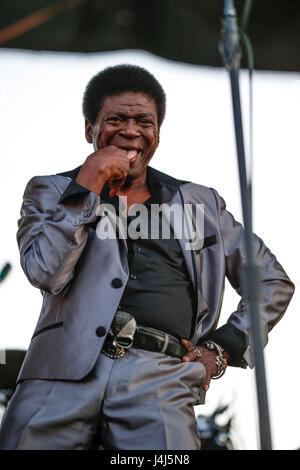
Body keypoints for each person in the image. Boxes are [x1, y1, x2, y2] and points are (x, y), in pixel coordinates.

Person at [0, 64, 294, 450]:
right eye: (116, 119)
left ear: (157, 133)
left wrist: (220, 351)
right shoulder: (51, 190)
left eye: (144, 121)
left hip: (162, 376)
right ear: (90, 129)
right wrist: (87, 181)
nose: (131, 130)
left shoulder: (199, 203)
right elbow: (44, 271)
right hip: (58, 375)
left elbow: (271, 281)